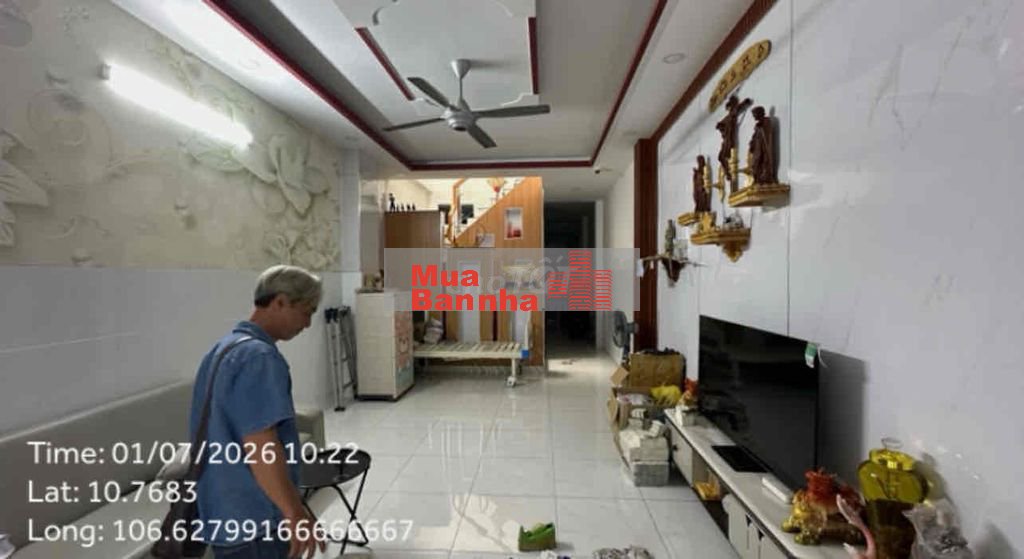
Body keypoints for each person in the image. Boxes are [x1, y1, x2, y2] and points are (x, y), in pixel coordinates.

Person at [189, 265, 327, 559]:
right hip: (256, 521)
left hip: (222, 511)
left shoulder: (221, 350)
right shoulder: (260, 358)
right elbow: (261, 447)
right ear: (280, 302)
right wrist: (294, 512)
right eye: (306, 312)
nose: (307, 324)